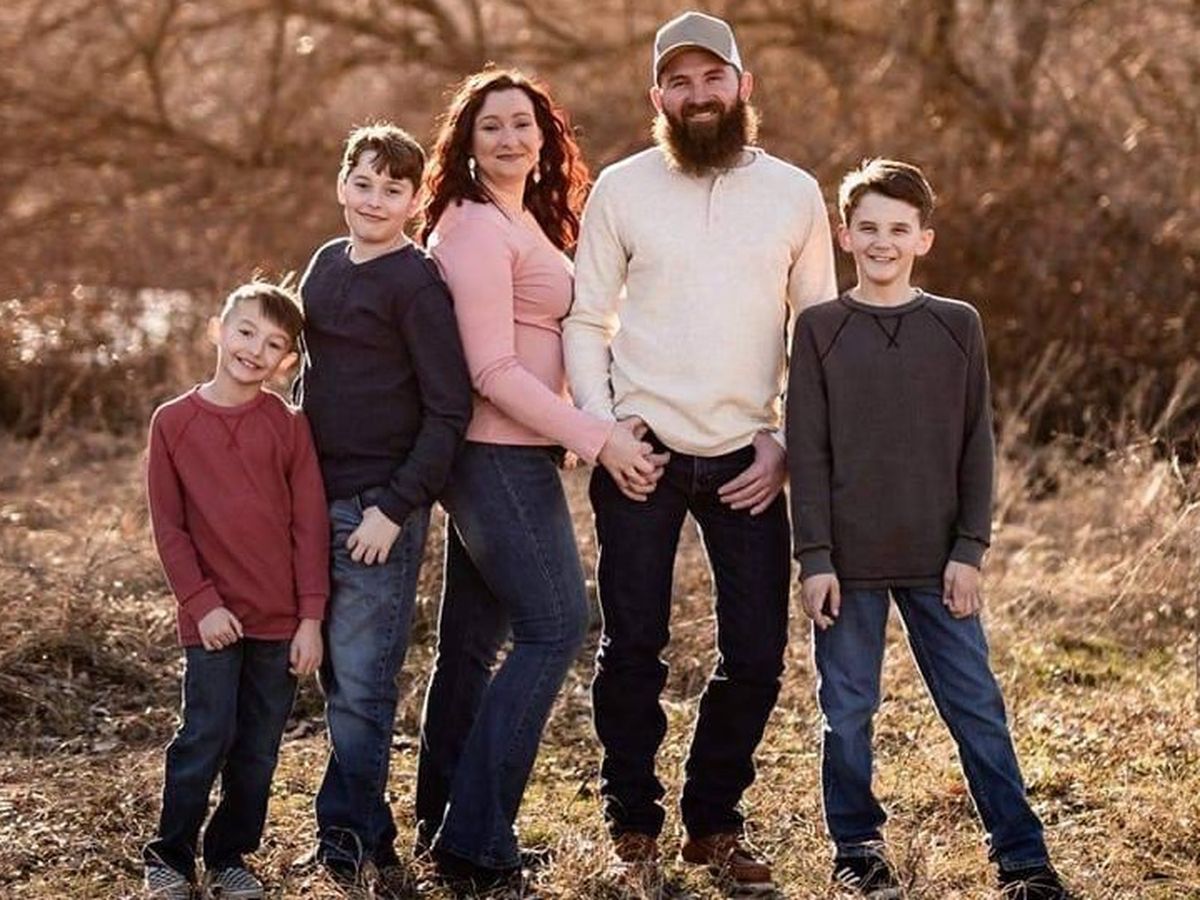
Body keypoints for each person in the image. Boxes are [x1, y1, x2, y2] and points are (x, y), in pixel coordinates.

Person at [563, 11, 839, 892]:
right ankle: (632, 827)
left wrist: (785, 443)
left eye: (713, 77)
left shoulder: (794, 193)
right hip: (640, 451)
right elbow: (584, 319)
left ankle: (713, 823)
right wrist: (604, 429)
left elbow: (816, 333)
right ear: (658, 98)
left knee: (756, 654)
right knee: (632, 648)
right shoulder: (622, 188)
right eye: (679, 83)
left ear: (743, 86)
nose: (699, 95)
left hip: (746, 459)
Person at [787, 158, 1075, 900]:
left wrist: (970, 550)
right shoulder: (819, 330)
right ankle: (857, 848)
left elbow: (976, 444)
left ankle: (1023, 858)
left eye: (898, 229)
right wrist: (814, 557)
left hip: (939, 559)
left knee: (976, 707)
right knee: (847, 710)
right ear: (845, 236)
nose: (882, 242)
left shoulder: (956, 325)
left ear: (924, 239)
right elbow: (807, 452)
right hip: (847, 565)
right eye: (868, 227)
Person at [413, 68, 662, 891]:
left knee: (469, 647)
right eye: (491, 126)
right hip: (494, 456)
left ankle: (444, 825)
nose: (509, 138)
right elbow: (490, 369)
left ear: (545, 135)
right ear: (466, 141)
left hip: (511, 454)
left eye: (523, 123)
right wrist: (597, 438)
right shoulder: (475, 227)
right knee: (556, 625)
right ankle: (477, 840)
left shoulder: (517, 217)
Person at [296, 123, 473, 889]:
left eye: (392, 189)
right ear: (342, 183)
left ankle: (348, 842)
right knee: (336, 678)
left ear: (413, 200)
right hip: (312, 498)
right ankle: (367, 834)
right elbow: (309, 378)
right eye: (362, 183)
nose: (374, 200)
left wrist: (395, 509)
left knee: (364, 684)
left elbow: (449, 411)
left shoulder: (416, 283)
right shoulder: (324, 264)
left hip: (376, 510)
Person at [142, 281, 329, 900]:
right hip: (213, 621)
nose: (255, 349)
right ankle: (170, 856)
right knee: (205, 736)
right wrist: (201, 605)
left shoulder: (288, 425)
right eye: (246, 331)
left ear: (288, 361)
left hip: (279, 621)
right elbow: (169, 528)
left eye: (274, 344)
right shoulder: (173, 423)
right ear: (218, 331)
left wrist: (310, 619)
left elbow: (309, 525)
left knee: (257, 748)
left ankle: (229, 857)